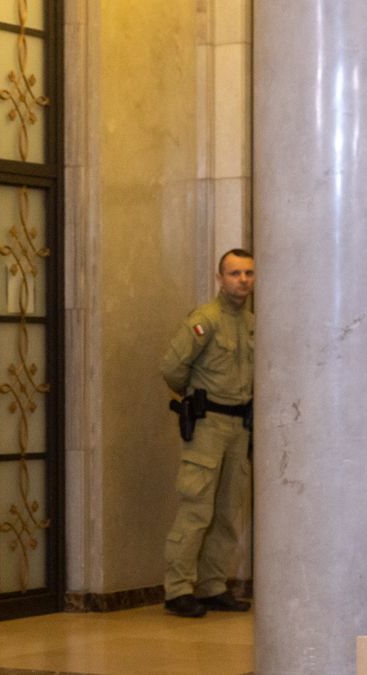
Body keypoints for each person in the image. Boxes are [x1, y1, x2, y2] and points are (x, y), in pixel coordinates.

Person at [159, 248, 255, 618]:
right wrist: (192, 399)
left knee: (229, 511)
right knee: (196, 509)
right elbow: (171, 367)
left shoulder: (250, 323)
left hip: (239, 426)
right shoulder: (205, 319)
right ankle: (178, 589)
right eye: (234, 273)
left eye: (248, 273)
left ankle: (214, 585)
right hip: (208, 424)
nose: (242, 280)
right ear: (220, 278)